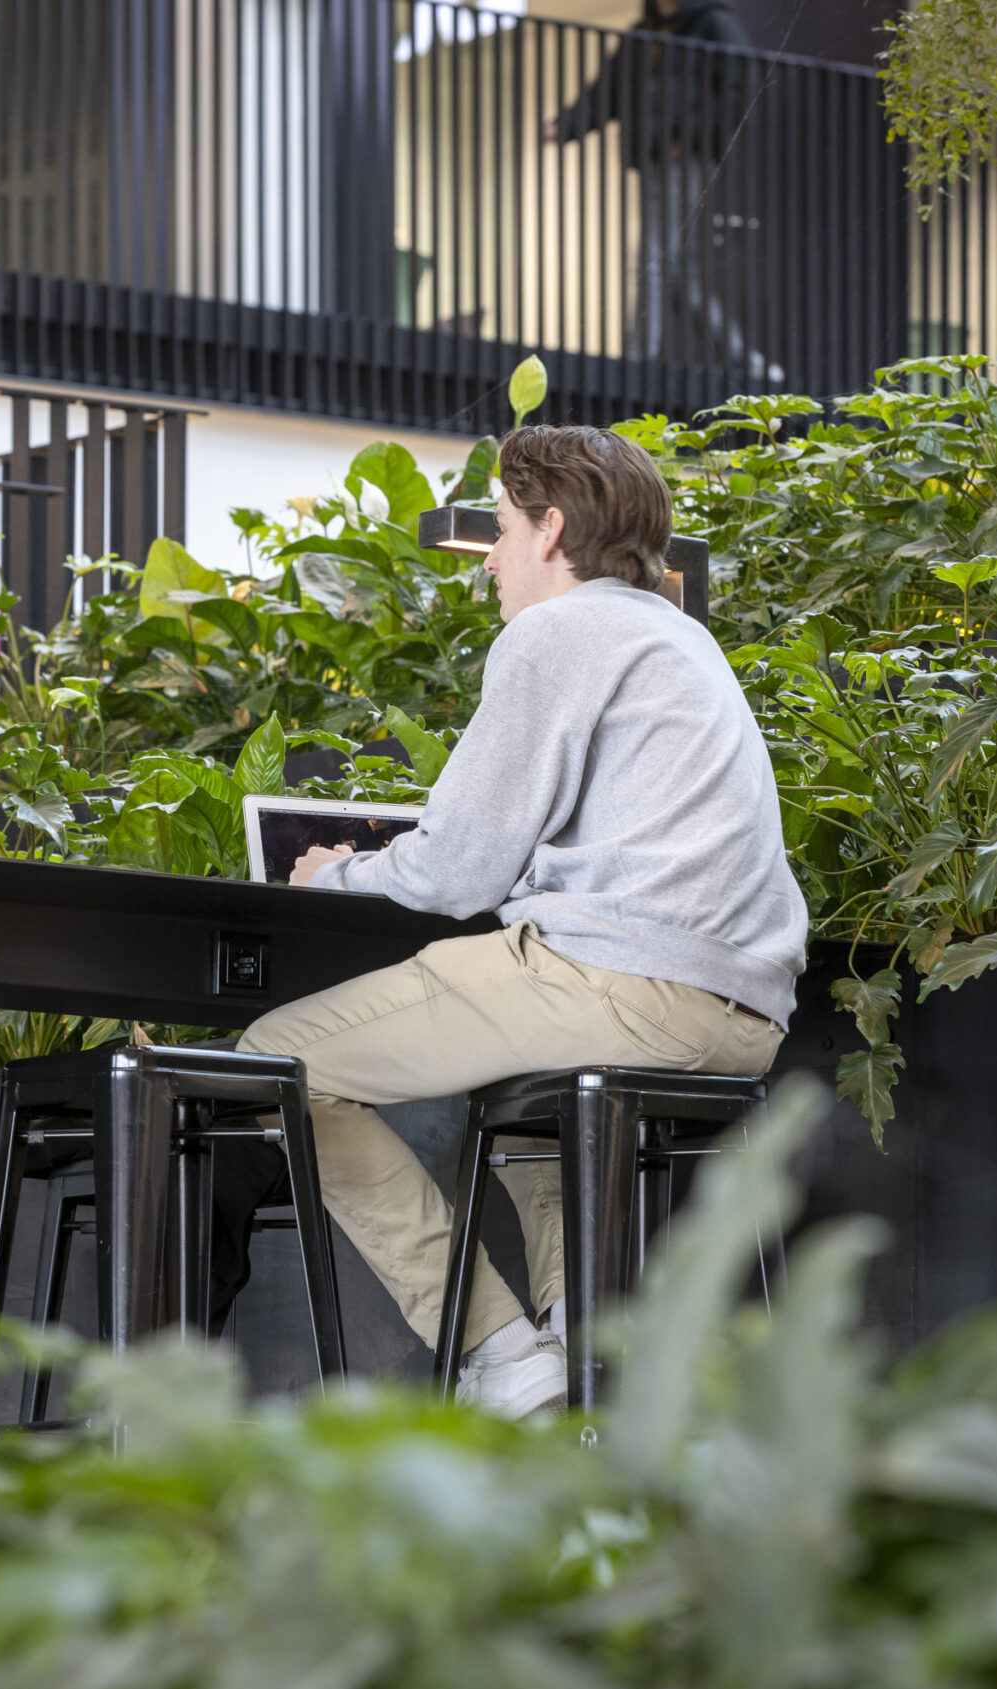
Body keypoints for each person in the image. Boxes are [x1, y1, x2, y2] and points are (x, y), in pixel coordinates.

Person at [238, 424, 808, 1417]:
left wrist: (331, 874)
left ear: (549, 530)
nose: (490, 557)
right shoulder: (679, 636)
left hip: (623, 984)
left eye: (500, 528)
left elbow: (458, 864)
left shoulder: (556, 632)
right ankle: (569, 1352)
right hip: (744, 1015)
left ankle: (500, 1354)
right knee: (529, 1101)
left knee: (274, 1061)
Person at [545, 0, 782, 385]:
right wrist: (563, 126)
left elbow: (738, 85)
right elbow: (607, 91)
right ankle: (744, 361)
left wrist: (690, 136)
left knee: (652, 258)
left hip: (685, 158)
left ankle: (640, 358)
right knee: (671, 270)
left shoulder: (712, 23)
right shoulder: (644, 33)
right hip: (655, 157)